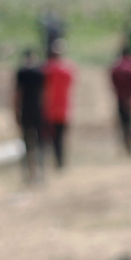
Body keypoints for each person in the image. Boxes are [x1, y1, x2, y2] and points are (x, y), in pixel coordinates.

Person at [41, 40, 76, 170]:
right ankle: (60, 162)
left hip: (49, 109)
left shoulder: (47, 69)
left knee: (48, 138)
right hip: (64, 109)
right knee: (61, 139)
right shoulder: (68, 69)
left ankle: (47, 162)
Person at [14, 49, 45, 184]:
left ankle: (29, 172)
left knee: (26, 144)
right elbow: (45, 93)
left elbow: (17, 95)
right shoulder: (40, 72)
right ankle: (40, 172)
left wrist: (15, 112)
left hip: (25, 111)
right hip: (38, 110)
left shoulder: (21, 73)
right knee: (40, 143)